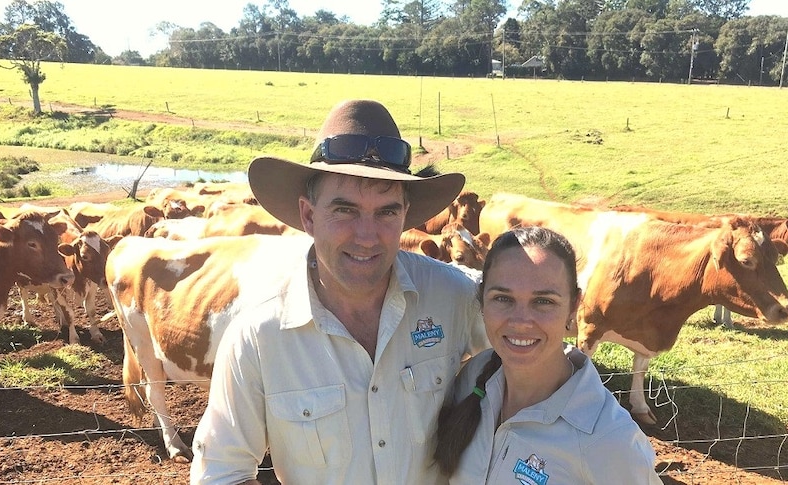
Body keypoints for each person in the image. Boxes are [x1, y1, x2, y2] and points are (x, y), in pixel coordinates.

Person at [189, 99, 489, 484]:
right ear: (309, 216)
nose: (367, 237)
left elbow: (532, 362)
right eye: (345, 210)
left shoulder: (453, 296)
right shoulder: (258, 336)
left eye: (386, 212)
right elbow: (222, 473)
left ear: (405, 215)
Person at [435, 226, 662, 484]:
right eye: (502, 298)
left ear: (573, 306)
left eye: (543, 301)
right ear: (482, 301)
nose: (521, 322)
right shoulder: (473, 378)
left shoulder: (608, 438)